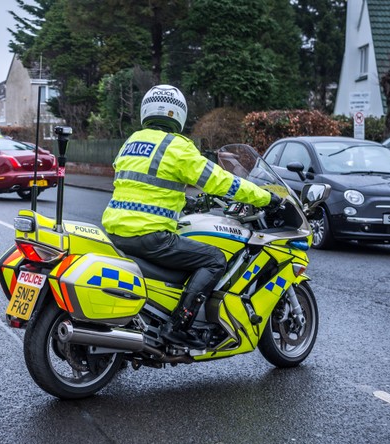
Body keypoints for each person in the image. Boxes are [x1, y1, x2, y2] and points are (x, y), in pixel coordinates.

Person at [101, 84, 282, 347]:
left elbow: (142, 187)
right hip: (151, 236)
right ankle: (180, 325)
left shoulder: (132, 143)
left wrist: (184, 203)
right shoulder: (176, 147)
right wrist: (265, 197)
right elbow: (220, 181)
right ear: (179, 114)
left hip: (118, 232)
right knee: (214, 259)